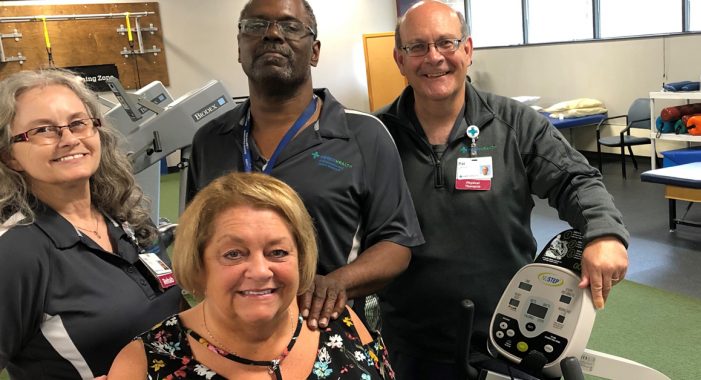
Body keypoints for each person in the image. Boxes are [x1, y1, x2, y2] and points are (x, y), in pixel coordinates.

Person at [375, 1, 630, 377]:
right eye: (418, 47)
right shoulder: (376, 136)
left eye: (446, 43)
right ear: (399, 58)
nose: (434, 58)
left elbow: (575, 178)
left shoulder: (515, 125)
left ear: (468, 49)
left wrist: (604, 233)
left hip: (508, 337)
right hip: (409, 344)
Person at [186, 0, 423, 331]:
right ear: (239, 48)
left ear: (314, 51)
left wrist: (337, 282)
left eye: (290, 26)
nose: (272, 34)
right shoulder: (210, 140)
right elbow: (196, 242)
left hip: (324, 331)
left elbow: (397, 243)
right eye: (255, 26)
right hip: (233, 332)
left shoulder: (364, 136)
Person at [108, 172, 395, 379]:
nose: (259, 271)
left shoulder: (338, 322)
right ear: (199, 263)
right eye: (234, 254)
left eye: (278, 252)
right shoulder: (145, 362)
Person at [0, 69, 184, 378]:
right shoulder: (16, 251)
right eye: (44, 130)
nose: (69, 139)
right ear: (10, 156)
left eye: (78, 123)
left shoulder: (125, 216)